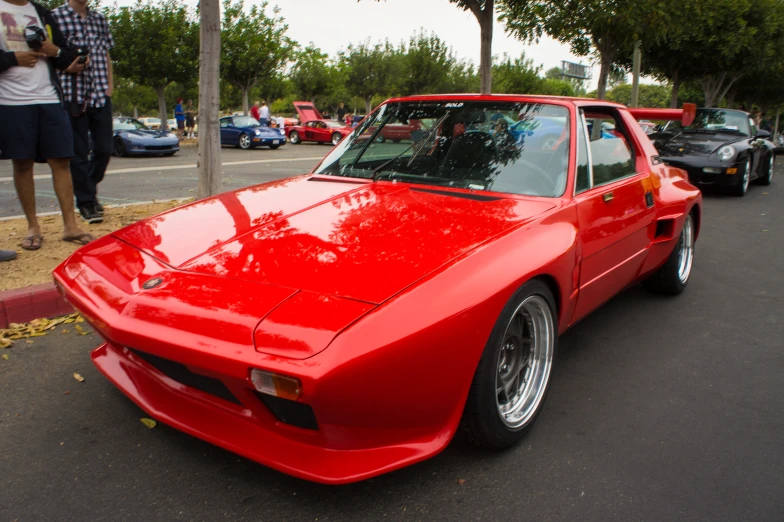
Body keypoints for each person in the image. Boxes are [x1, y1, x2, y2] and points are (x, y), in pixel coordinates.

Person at [1, 0, 93, 249]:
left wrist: (56, 52)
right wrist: (12, 58)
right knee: (22, 163)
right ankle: (33, 227)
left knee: (61, 160)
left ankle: (70, 226)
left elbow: (65, 56)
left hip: (49, 98)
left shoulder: (41, 12)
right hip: (11, 102)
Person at [53, 0, 114, 224]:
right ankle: (87, 203)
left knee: (104, 149)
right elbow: (49, 55)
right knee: (77, 154)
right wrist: (67, 66)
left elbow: (106, 54)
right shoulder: (55, 17)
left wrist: (110, 86)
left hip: (100, 94)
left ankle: (87, 188)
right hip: (72, 94)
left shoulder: (99, 19)